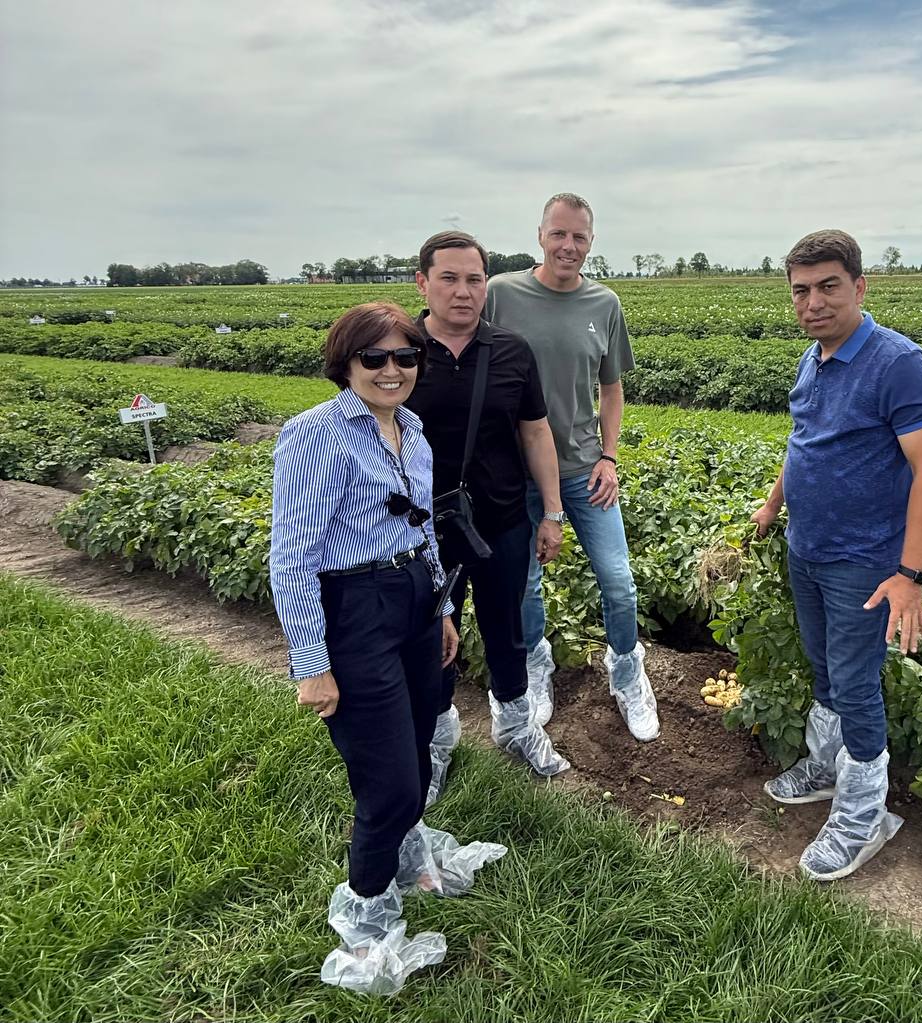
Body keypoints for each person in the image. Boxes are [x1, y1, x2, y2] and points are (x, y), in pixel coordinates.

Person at [270, 302, 503, 993]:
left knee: (420, 736)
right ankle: (367, 929)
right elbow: (291, 559)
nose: (392, 370)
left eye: (406, 357)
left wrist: (439, 610)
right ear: (345, 363)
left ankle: (411, 860)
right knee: (390, 783)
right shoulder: (315, 435)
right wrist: (312, 664)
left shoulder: (414, 430)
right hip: (355, 612)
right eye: (375, 358)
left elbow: (422, 527)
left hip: (411, 602)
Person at [750, 230, 922, 881]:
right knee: (825, 668)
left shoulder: (898, 364)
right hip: (807, 547)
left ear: (859, 287)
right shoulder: (815, 358)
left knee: (856, 682)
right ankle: (828, 766)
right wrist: (774, 504)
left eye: (828, 286)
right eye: (801, 290)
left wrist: (910, 575)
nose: (813, 301)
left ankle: (866, 811)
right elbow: (803, 440)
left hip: (865, 561)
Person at [484, 192, 659, 742]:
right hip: (515, 474)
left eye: (579, 236)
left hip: (584, 469)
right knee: (525, 585)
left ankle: (628, 672)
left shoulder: (604, 304)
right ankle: (537, 669)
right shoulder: (500, 294)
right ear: (540, 235)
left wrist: (609, 456)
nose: (568, 245)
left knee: (619, 581)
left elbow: (612, 388)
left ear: (591, 243)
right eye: (559, 234)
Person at [404, 230, 570, 794]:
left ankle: (517, 725)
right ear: (422, 283)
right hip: (422, 532)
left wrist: (551, 512)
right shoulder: (399, 355)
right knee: (434, 636)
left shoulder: (511, 352)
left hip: (499, 521)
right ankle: (436, 739)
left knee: (508, 628)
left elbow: (536, 432)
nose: (463, 291)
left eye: (474, 279)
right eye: (448, 278)